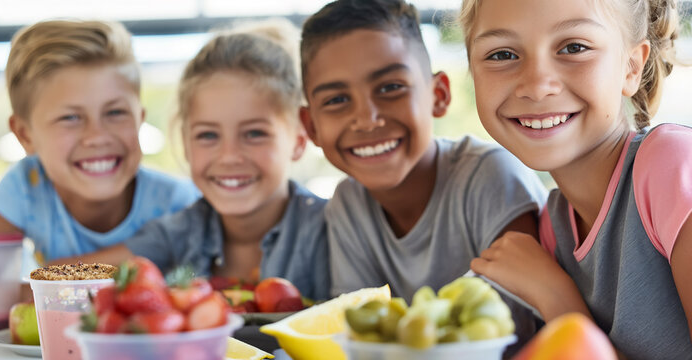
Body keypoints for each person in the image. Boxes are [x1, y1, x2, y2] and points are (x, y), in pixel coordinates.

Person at [299, 0, 548, 342]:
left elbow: (511, 335)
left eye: (390, 88)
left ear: (438, 95)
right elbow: (356, 333)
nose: (367, 119)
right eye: (336, 100)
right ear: (310, 127)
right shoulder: (348, 205)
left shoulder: (489, 176)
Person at [459, 0, 692, 358]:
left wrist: (558, 300)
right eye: (503, 54)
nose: (536, 86)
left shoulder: (673, 165)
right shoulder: (555, 228)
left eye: (574, 48)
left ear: (631, 67)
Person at [51, 19, 330, 300]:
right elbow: (57, 281)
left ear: (298, 140)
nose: (229, 156)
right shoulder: (176, 233)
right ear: (185, 143)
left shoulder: (329, 230)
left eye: (255, 133)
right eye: (208, 135)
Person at [0, 20, 199, 264]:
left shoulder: (180, 203)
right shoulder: (26, 186)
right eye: (70, 118)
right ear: (25, 135)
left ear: (139, 120)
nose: (97, 137)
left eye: (115, 113)